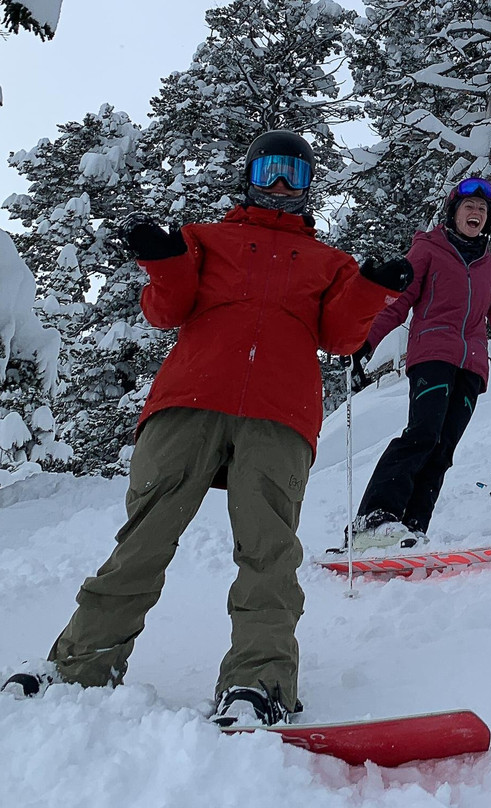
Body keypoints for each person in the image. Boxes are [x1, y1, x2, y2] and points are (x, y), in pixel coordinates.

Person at [1, 131, 411, 726]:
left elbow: (342, 337)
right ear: (249, 177)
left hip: (278, 415)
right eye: (269, 171)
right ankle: (80, 663)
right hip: (189, 401)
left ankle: (259, 682)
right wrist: (164, 260)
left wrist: (371, 288)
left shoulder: (330, 263)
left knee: (268, 551)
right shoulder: (206, 239)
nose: (279, 185)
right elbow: (164, 310)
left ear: (308, 186)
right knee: (142, 540)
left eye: (293, 174)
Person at [346, 177, 491, 551]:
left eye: (482, 209)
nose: (476, 213)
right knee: (423, 434)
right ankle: (374, 520)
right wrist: (364, 342)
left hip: (472, 368)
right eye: (469, 207)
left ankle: (412, 528)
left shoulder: (489, 266)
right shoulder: (429, 249)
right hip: (432, 356)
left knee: (443, 449)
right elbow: (399, 303)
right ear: (453, 212)